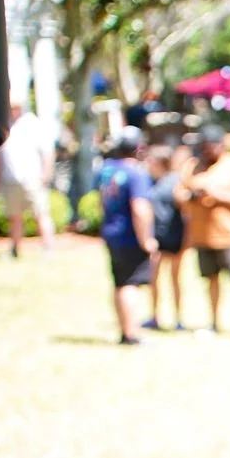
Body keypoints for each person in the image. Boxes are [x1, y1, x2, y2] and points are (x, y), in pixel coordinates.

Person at [179, 125, 230, 338]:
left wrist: (218, 195)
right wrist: (192, 196)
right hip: (204, 235)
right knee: (211, 280)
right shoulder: (193, 166)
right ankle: (213, 322)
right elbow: (179, 193)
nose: (206, 151)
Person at [97, 128, 157, 345]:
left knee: (120, 283)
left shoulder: (107, 170)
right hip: (130, 236)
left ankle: (125, 330)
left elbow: (101, 203)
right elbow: (140, 208)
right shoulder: (136, 173)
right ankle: (131, 333)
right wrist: (147, 240)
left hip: (112, 233)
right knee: (130, 284)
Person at [0, 102, 55, 258]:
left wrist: (46, 175)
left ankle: (48, 248)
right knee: (14, 217)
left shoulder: (32, 123)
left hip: (32, 178)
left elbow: (48, 151)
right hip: (10, 179)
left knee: (40, 214)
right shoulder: (4, 124)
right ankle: (15, 249)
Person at [145, 146, 190, 331]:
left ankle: (178, 318)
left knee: (175, 278)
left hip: (174, 235)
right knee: (153, 279)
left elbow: (186, 211)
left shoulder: (176, 182)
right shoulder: (150, 182)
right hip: (156, 236)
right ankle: (155, 316)